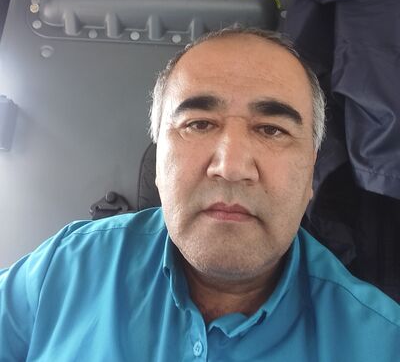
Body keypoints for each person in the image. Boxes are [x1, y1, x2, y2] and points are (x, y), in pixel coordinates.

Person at [0, 27, 399, 361]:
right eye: (199, 124)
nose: (231, 166)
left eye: (272, 130)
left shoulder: (382, 343)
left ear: (311, 171)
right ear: (158, 162)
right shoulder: (65, 266)